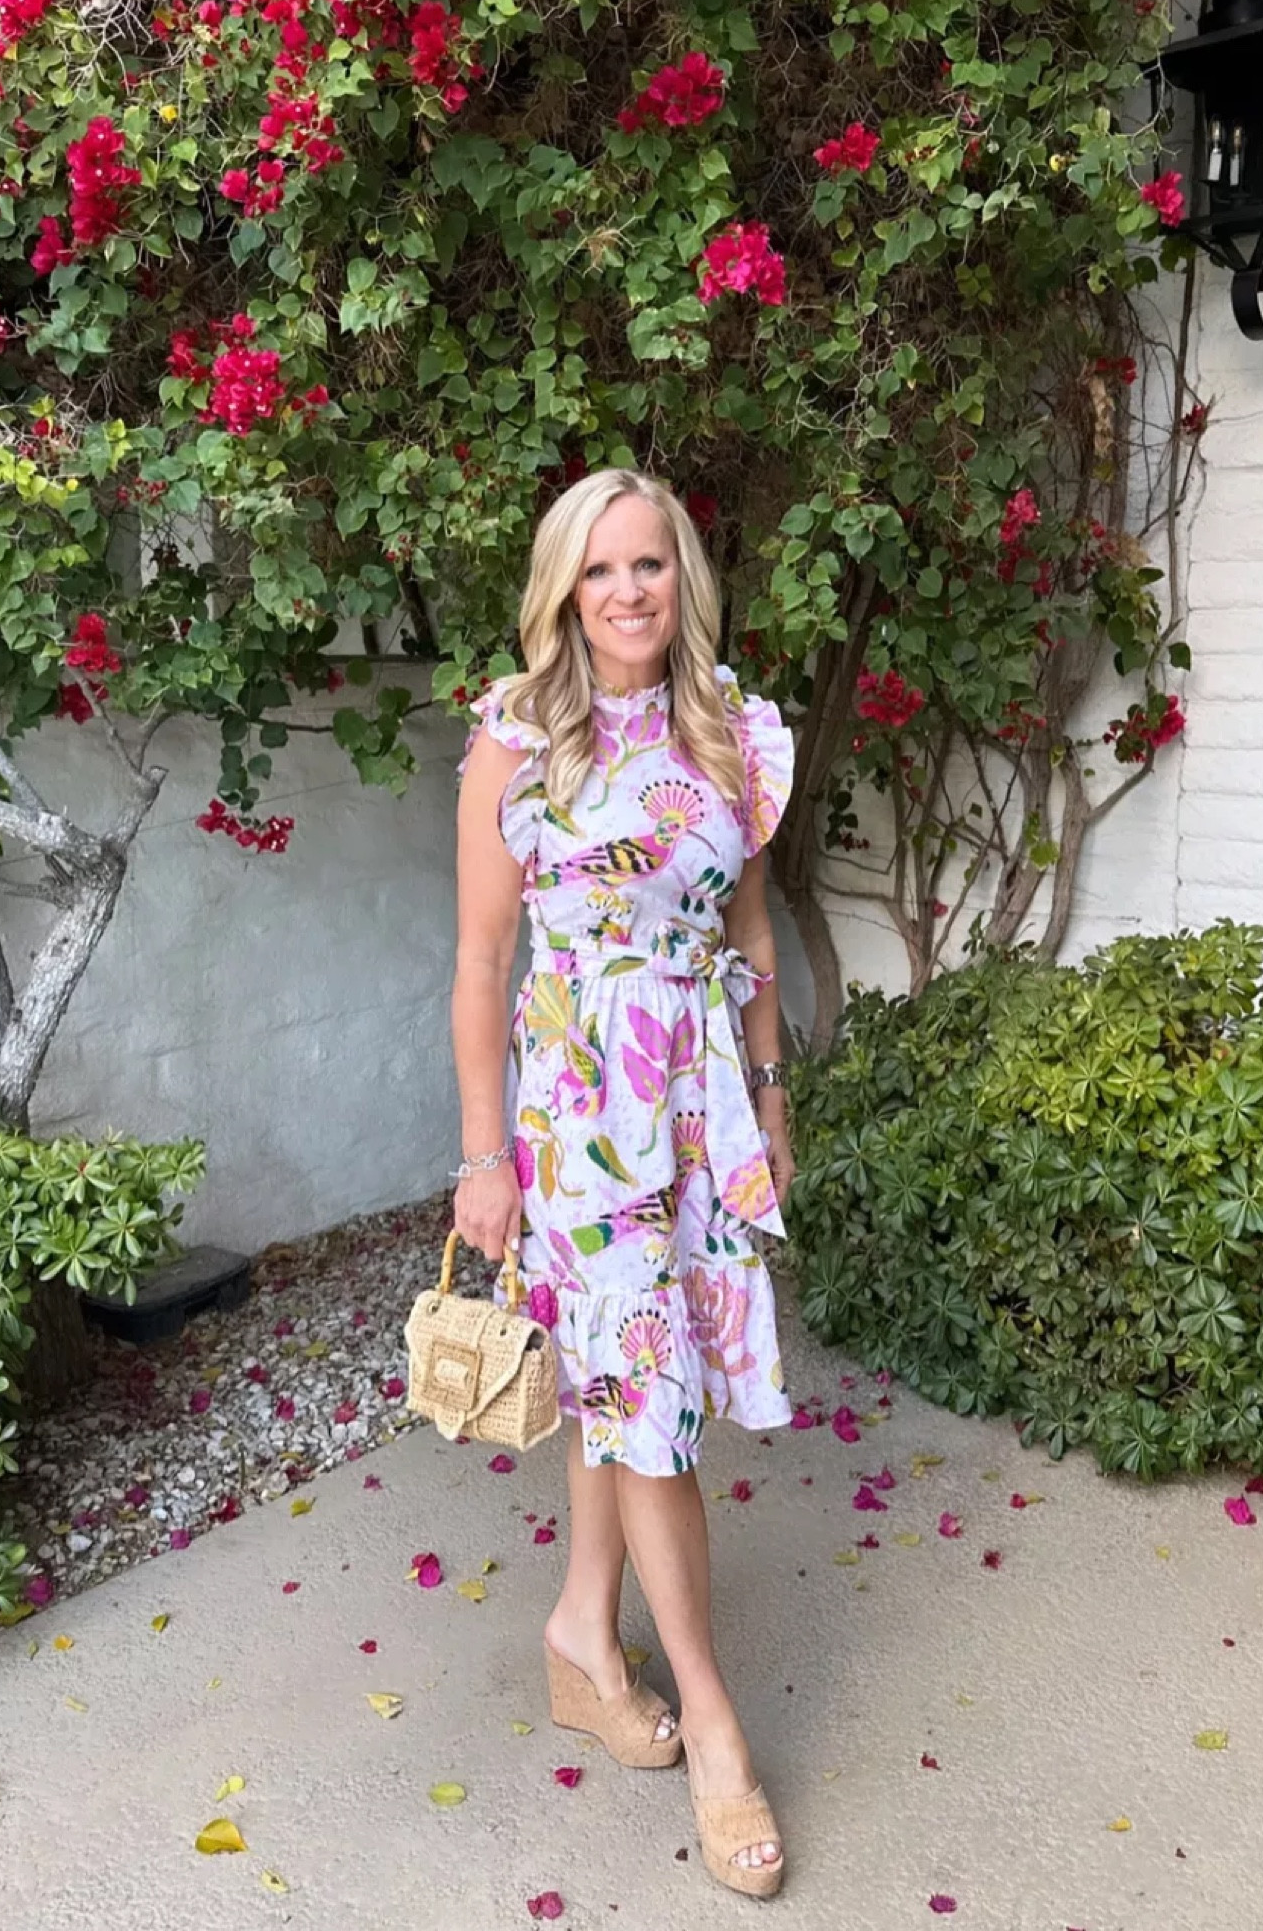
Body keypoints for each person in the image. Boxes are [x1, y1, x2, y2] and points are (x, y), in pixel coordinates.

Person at [451, 468, 796, 1899]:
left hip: (701, 1108)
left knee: (622, 1382)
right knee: (650, 1411)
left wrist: (772, 1100)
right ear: (563, 592)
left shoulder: (735, 736)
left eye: (650, 565)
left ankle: (584, 1640)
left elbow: (754, 937)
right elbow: (480, 965)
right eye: (600, 571)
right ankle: (715, 1733)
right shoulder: (518, 739)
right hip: (581, 1120)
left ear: (682, 580)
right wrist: (482, 1157)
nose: (628, 591)